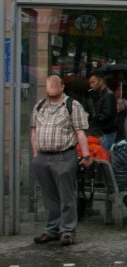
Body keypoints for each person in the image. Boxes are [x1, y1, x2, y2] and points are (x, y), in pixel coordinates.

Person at [30, 75, 92, 246]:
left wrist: (86, 154)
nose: (51, 87)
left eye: (55, 84)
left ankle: (67, 231)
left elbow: (79, 131)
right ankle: (52, 229)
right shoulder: (40, 106)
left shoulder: (72, 105)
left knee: (67, 196)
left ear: (62, 87)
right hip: (43, 157)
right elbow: (34, 131)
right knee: (49, 197)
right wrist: (36, 154)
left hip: (64, 156)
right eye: (49, 84)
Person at [87, 72, 117, 152]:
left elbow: (107, 114)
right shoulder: (102, 95)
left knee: (103, 156)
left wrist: (92, 117)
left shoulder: (108, 95)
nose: (91, 85)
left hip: (107, 133)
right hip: (104, 133)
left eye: (93, 82)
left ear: (100, 81)